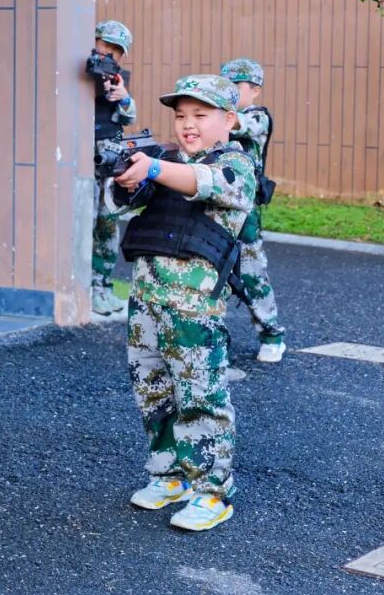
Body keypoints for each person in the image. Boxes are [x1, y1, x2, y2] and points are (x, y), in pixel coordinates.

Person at [109, 74, 256, 531]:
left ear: (228, 119)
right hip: (147, 300)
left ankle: (212, 491)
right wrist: (127, 176)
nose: (187, 124)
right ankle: (169, 474)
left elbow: (204, 182)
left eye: (200, 115)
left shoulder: (237, 164)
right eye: (180, 115)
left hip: (194, 307)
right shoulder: (164, 159)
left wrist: (152, 168)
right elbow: (121, 203)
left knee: (200, 397)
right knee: (152, 391)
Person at [220, 58, 286, 363]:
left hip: (243, 210)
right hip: (214, 204)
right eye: (225, 85)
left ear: (255, 90)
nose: (229, 91)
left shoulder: (257, 117)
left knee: (250, 271)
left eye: (236, 86)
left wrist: (211, 114)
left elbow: (239, 125)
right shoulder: (218, 116)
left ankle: (272, 335)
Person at [89, 20, 137, 316]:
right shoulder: (84, 71)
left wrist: (123, 97)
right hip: (84, 165)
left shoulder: (116, 78)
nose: (109, 53)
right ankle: (85, 289)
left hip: (108, 164)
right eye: (105, 46)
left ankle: (102, 287)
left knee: (108, 228)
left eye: (116, 50)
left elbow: (129, 118)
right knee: (86, 226)